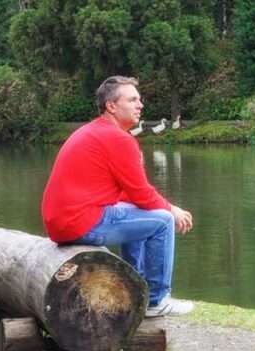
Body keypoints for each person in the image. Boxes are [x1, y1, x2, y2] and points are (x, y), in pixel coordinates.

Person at [41, 76, 195, 317]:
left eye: (140, 99)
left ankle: (135, 291)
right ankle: (156, 301)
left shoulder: (95, 132)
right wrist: (171, 209)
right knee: (162, 221)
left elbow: (130, 195)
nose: (140, 105)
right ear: (111, 106)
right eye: (132, 99)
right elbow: (141, 193)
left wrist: (160, 206)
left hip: (63, 222)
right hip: (80, 221)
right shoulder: (117, 138)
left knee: (141, 215)